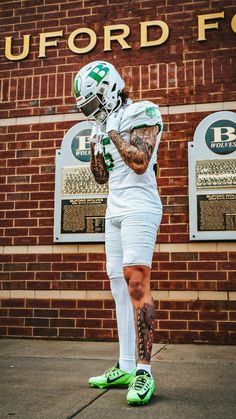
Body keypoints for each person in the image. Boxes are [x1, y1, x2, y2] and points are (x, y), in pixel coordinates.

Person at [73, 61, 163, 405]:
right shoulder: (101, 124)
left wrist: (111, 131)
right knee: (117, 285)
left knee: (136, 281)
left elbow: (140, 161)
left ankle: (144, 372)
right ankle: (124, 364)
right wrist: (96, 145)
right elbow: (100, 177)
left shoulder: (143, 110)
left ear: (110, 90)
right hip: (115, 207)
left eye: (95, 104)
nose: (93, 112)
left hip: (141, 205)